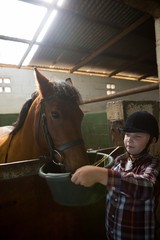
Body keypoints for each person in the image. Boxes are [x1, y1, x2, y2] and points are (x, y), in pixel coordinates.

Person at [71, 111, 160, 240]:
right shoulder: (119, 160)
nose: (129, 140)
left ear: (152, 140)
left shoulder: (154, 165)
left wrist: (102, 175)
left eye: (137, 136)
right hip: (112, 231)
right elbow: (110, 187)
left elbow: (146, 188)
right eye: (127, 134)